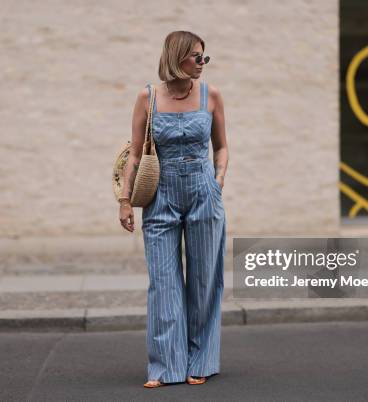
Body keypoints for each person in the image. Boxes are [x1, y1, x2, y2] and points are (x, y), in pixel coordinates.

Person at [118, 30, 228, 388]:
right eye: (196, 56)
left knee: (203, 280)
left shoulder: (210, 95)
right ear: (176, 57)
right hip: (160, 195)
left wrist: (218, 180)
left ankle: (200, 360)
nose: (202, 63)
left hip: (203, 192)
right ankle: (165, 365)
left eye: (204, 57)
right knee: (163, 282)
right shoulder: (147, 98)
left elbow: (222, 147)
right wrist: (124, 200)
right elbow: (135, 153)